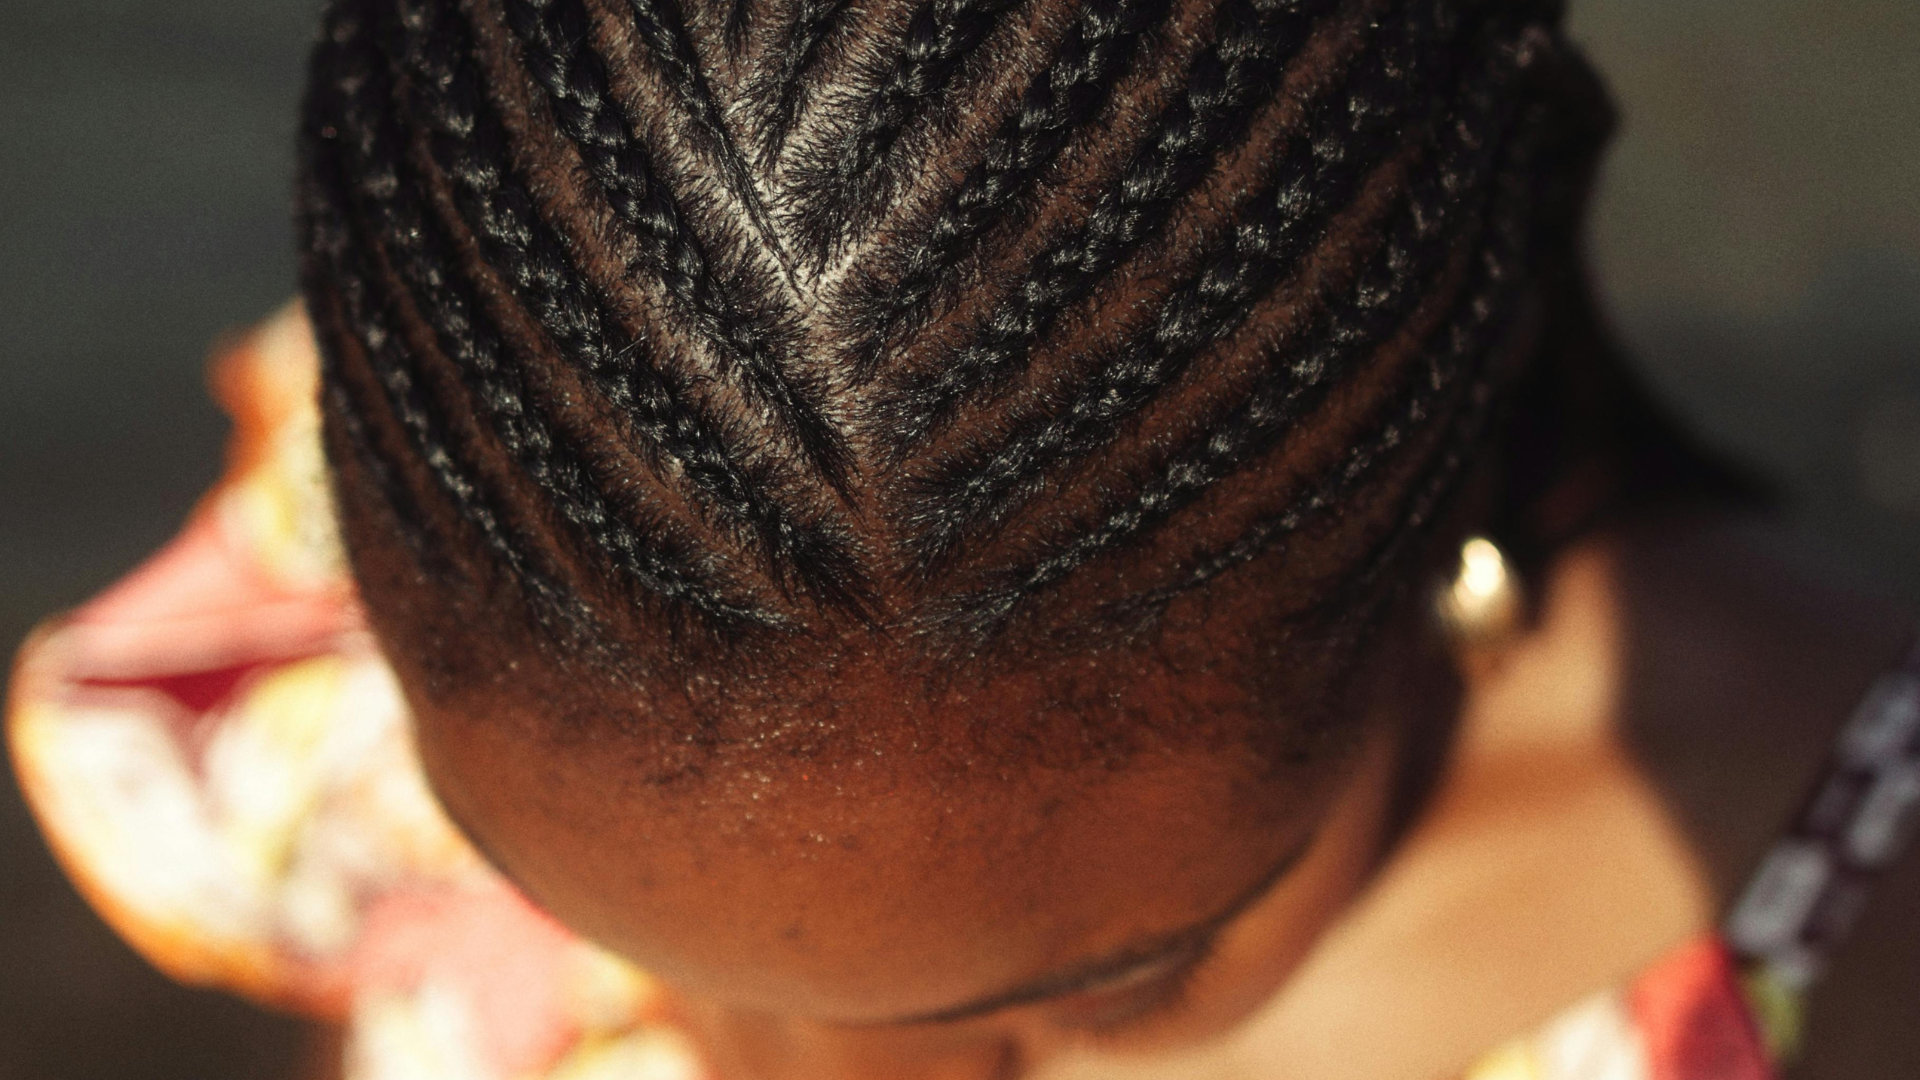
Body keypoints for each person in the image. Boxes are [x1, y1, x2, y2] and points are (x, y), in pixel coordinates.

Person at [9, 0, 1918, 1077]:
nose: (792, 1069)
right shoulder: (559, 491)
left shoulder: (1839, 973)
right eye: (591, 914)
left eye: (1111, 979)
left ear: (1417, 551)